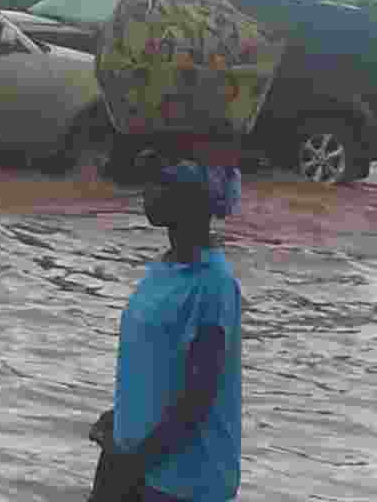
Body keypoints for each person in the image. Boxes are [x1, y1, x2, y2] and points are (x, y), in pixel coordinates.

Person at [88, 141, 243, 502]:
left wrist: (134, 463)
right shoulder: (163, 270)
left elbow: (199, 397)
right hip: (142, 463)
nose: (149, 193)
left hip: (185, 481)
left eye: (162, 185)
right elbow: (155, 368)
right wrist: (120, 420)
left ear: (193, 200)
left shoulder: (212, 285)